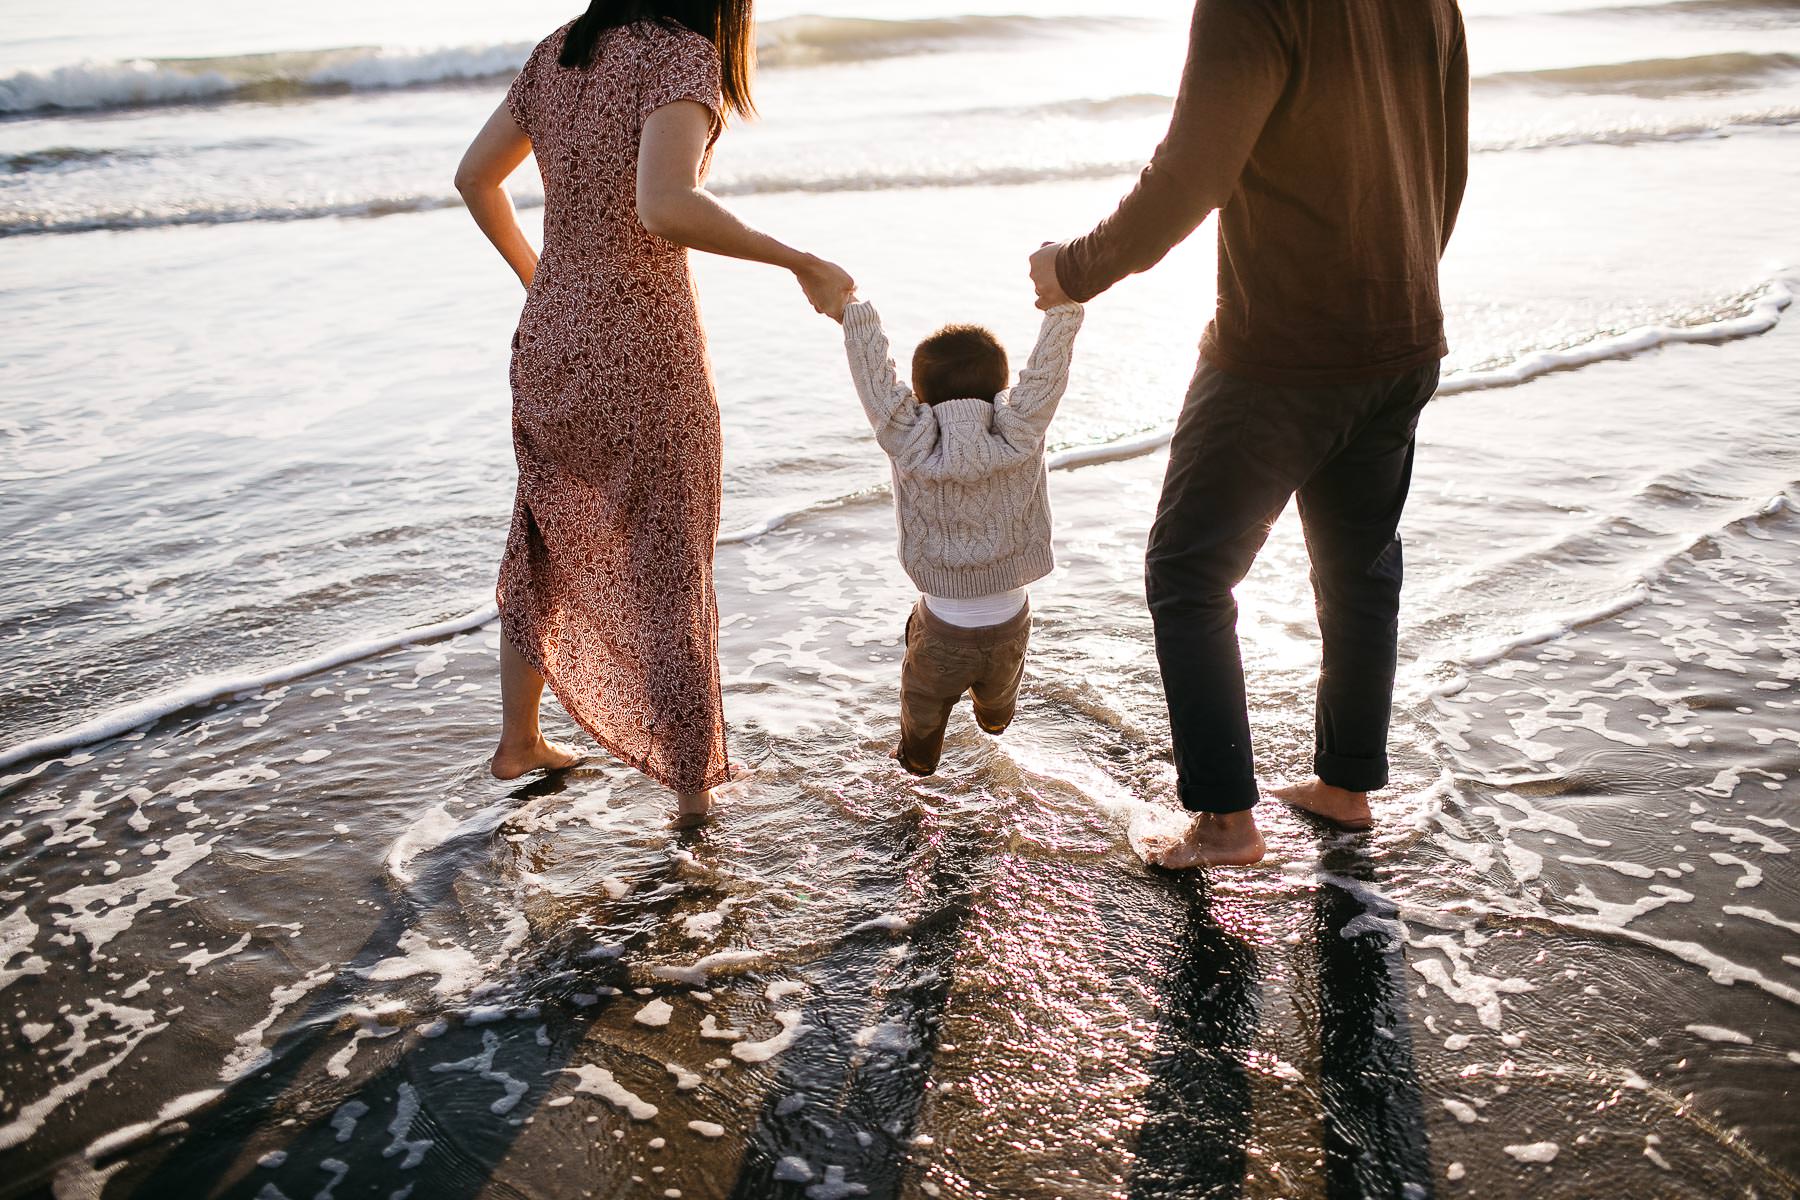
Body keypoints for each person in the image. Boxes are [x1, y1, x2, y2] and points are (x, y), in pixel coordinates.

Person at [1028, 0, 1470, 866]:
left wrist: (1072, 270)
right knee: (1360, 567)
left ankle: (1225, 823)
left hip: (1280, 353)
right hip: (1403, 335)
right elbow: (1446, 168)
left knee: (1188, 572)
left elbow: (1190, 175)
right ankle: (1345, 788)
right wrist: (1399, 283)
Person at [454, 0, 855, 823]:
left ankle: (517, 741)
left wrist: (547, 283)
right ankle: (691, 794)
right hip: (642, 345)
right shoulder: (678, 58)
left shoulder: (561, 49)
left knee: (543, 532)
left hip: (552, 333)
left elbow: (474, 177)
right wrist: (799, 260)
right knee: (668, 556)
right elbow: (664, 204)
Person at [839, 298, 1084, 774]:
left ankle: (919, 758)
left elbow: (875, 382)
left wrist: (854, 312)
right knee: (999, 693)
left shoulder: (910, 438)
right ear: (1002, 383)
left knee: (923, 704)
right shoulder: (1020, 429)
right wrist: (1064, 309)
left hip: (942, 631)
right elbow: (1048, 373)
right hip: (1012, 621)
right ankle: (993, 718)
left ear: (920, 393)